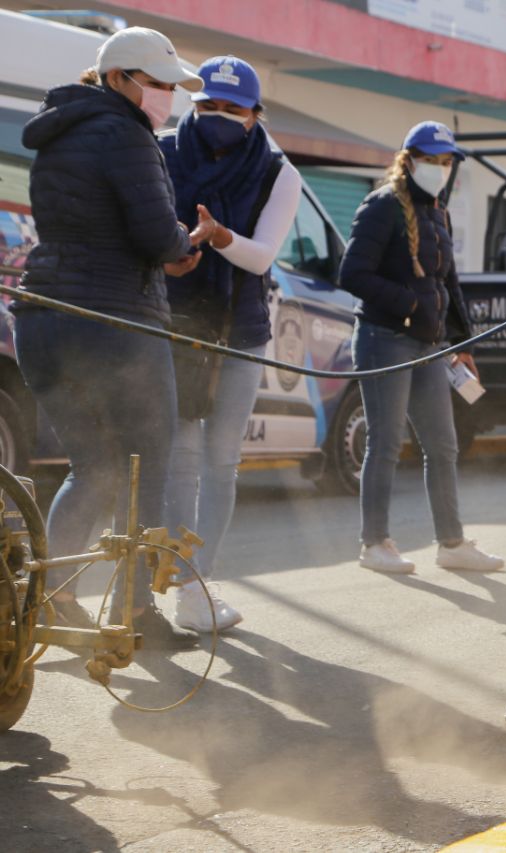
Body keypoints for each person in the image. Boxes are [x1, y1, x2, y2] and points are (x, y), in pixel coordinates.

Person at [15, 27, 212, 647]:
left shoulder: (59, 131)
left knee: (93, 465)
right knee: (146, 466)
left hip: (44, 318)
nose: (167, 98)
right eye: (158, 84)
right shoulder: (127, 134)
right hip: (113, 324)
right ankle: (134, 615)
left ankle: (50, 599)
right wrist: (184, 247)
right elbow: (157, 236)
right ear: (121, 79)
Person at [159, 56, 303, 633]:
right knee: (180, 464)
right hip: (171, 325)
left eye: (232, 109)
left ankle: (199, 584)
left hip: (239, 333)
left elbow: (263, 256)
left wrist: (218, 237)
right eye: (207, 106)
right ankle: (180, 584)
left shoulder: (278, 172)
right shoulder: (165, 151)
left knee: (221, 462)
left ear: (254, 114)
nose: (218, 117)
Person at [338, 121, 503, 575]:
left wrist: (462, 341)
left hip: (430, 345)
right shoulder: (382, 206)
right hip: (383, 339)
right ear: (408, 159)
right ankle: (374, 543)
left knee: (443, 445)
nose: (439, 169)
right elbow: (351, 274)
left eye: (447, 162)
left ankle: (451, 543)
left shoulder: (437, 212)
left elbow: (447, 282)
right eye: (431, 160)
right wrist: (408, 303)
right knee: (387, 442)